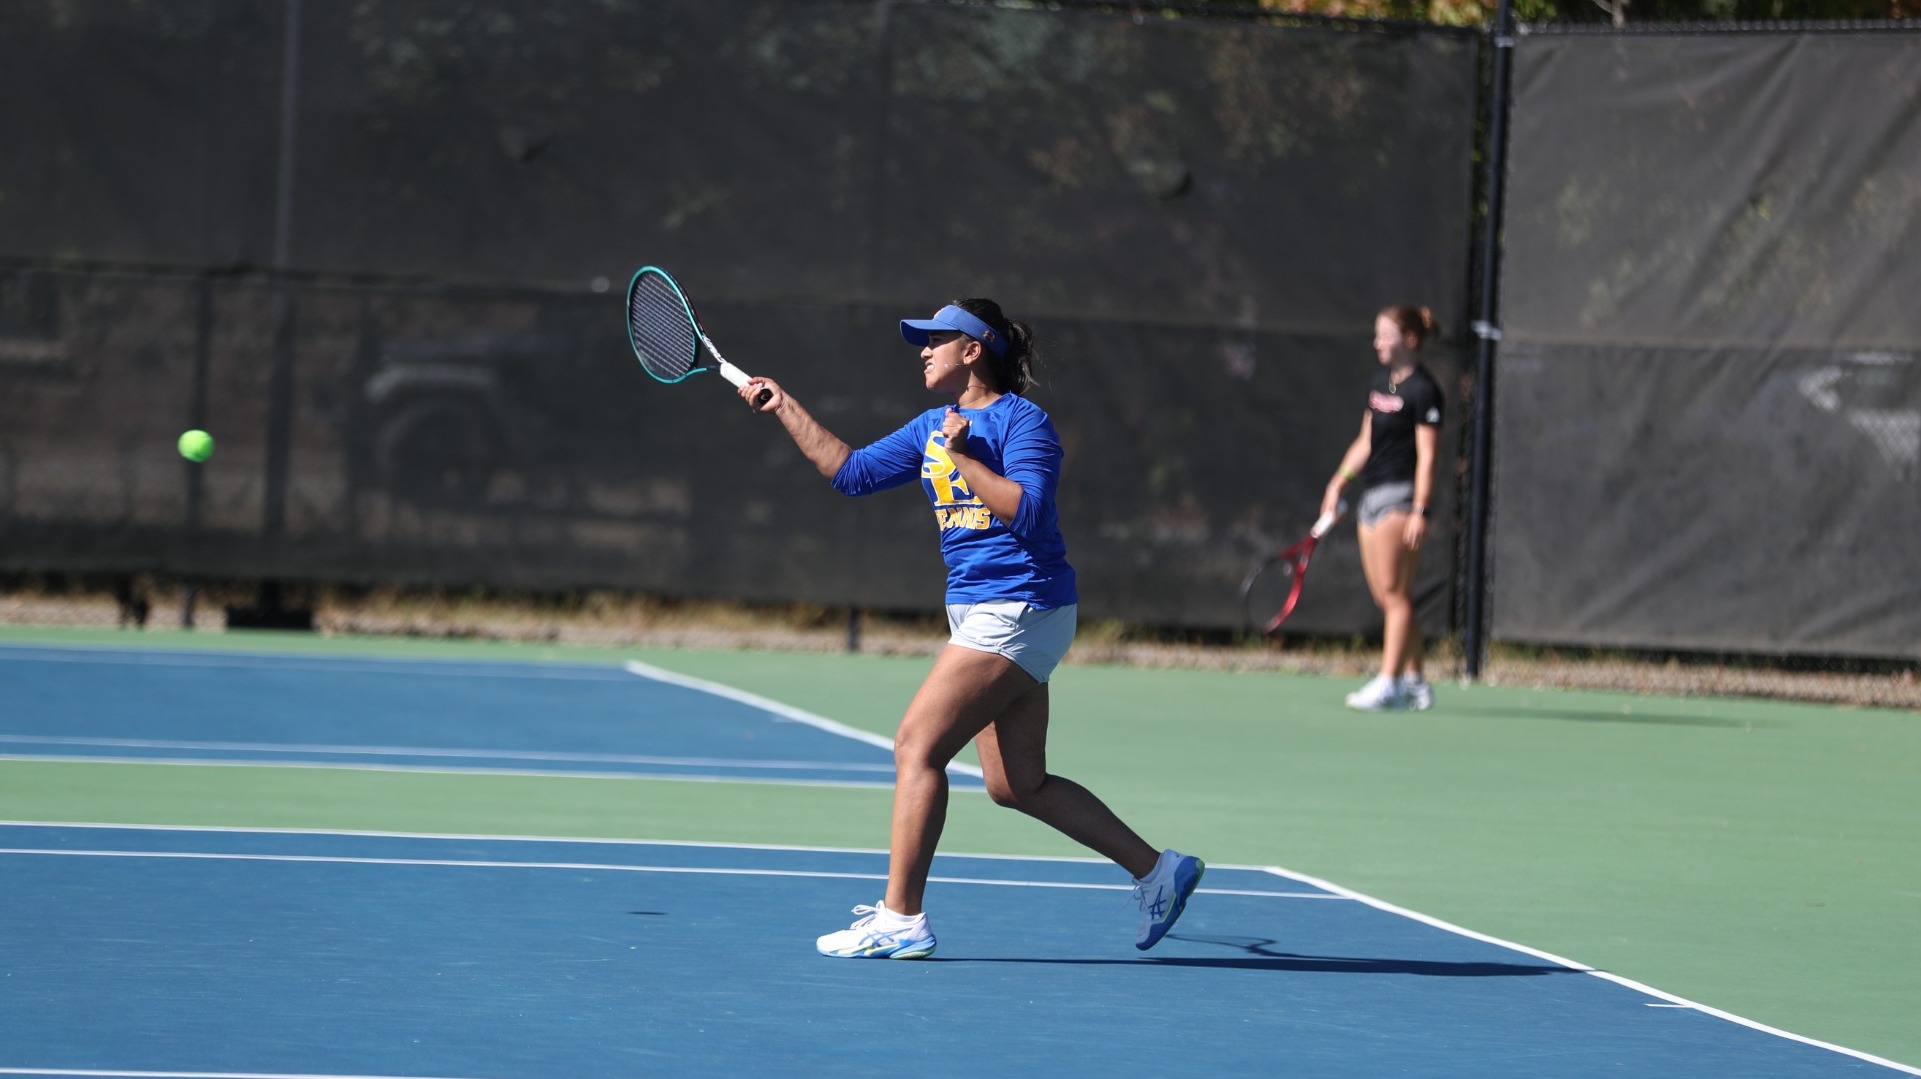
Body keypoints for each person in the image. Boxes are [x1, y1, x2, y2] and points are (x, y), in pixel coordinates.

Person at [737, 298, 1203, 959]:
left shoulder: (1023, 423)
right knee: (1016, 783)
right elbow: (850, 472)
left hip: (1020, 606)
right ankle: (1158, 870)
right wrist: (783, 405)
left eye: (935, 339)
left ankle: (901, 917)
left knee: (915, 746)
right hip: (985, 610)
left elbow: (1032, 513)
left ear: (973, 349)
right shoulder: (931, 424)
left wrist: (963, 459)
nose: (922, 349)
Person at [1321, 305, 1444, 713]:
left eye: (1385, 335)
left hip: (1401, 497)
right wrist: (1339, 481)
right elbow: (1365, 440)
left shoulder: (1425, 390)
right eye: (1376, 335)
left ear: (1409, 340)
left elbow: (1428, 457)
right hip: (1370, 496)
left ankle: (1389, 682)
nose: (1377, 342)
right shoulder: (1380, 384)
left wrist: (1420, 510)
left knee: (1395, 596)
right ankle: (1416, 681)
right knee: (1387, 597)